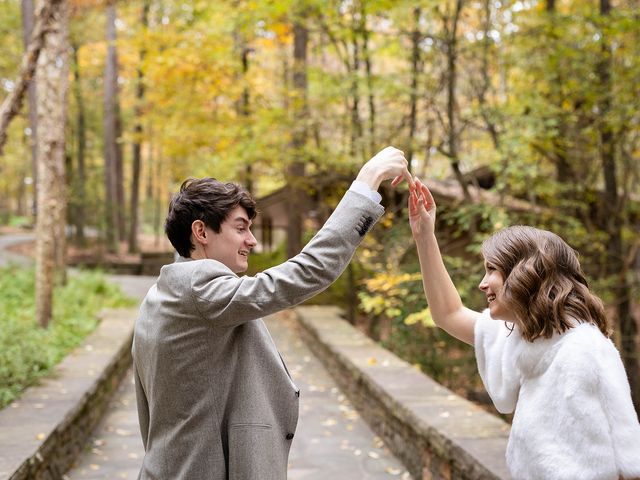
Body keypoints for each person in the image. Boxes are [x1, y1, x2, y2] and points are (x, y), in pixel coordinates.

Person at [132, 147, 412, 480]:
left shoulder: (159, 294)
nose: (251, 240)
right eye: (240, 228)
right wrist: (366, 183)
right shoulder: (199, 287)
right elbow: (307, 272)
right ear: (202, 232)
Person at [408, 179, 640, 480]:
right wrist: (424, 236)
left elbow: (629, 458)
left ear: (524, 273)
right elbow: (448, 313)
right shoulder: (524, 340)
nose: (482, 283)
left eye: (492, 269)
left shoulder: (586, 349)